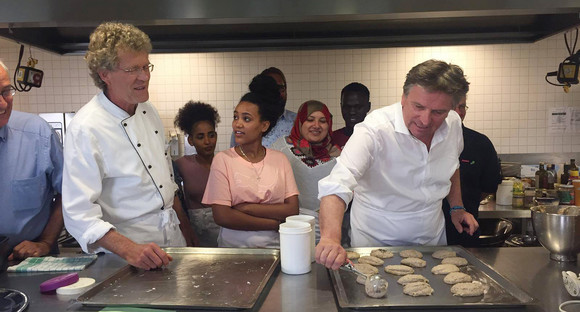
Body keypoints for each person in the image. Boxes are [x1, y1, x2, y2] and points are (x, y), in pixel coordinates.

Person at [316, 59, 479, 270]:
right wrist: (330, 238)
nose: (425, 120)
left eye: (438, 112)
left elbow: (452, 164)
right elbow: (337, 185)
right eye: (418, 106)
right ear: (403, 97)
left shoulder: (453, 124)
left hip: (431, 239)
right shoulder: (374, 130)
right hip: (376, 242)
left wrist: (457, 207)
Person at [62, 22, 195, 270]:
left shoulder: (148, 110)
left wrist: (186, 231)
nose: (144, 76)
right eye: (133, 69)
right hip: (125, 259)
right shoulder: (87, 127)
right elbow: (78, 215)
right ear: (105, 74)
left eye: (146, 66)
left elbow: (165, 185)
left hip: (173, 246)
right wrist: (130, 250)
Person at [203, 74, 299, 248]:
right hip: (234, 251)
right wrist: (273, 224)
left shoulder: (280, 160)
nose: (237, 124)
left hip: (276, 249)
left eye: (246, 119)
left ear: (264, 126)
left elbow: (292, 209)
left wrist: (247, 209)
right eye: (236, 117)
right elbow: (222, 216)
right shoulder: (223, 160)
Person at [0, 60, 64, 261]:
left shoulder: (37, 133)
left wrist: (45, 242)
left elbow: (69, 192)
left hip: (28, 258)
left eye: (5, 91)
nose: (3, 103)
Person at [271, 100, 341, 242]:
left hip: (326, 233)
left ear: (329, 125)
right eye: (310, 120)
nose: (316, 126)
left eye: (323, 121)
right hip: (288, 230)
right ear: (300, 122)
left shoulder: (338, 157)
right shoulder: (281, 148)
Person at [442, 96, 501, 247]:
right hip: (423, 230)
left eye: (462, 107)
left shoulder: (480, 144)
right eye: (452, 106)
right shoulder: (424, 140)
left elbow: (488, 187)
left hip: (463, 229)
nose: (457, 112)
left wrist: (460, 206)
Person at [174, 101, 221, 247]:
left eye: (211, 135)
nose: (207, 141)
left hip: (226, 229)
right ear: (191, 140)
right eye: (200, 137)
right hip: (196, 233)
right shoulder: (182, 165)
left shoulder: (226, 163)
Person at [229, 67, 297, 148]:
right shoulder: (242, 127)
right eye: (269, 90)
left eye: (280, 88)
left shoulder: (297, 122)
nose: (276, 94)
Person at [332, 82, 371, 149]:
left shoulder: (378, 137)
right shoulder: (331, 139)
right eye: (347, 107)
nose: (352, 112)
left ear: (368, 107)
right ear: (341, 106)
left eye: (358, 107)